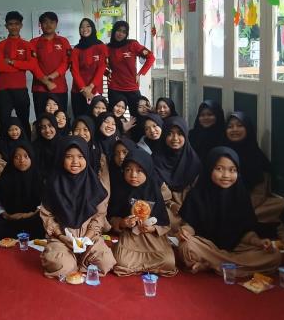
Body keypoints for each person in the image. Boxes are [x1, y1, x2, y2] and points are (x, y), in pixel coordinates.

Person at [177, 147, 281, 277]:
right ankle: (230, 266)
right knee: (187, 246)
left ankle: (212, 265)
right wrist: (185, 232)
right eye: (219, 169)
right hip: (207, 246)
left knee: (275, 255)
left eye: (232, 170)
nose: (226, 175)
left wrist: (257, 242)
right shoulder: (197, 195)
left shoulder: (240, 195)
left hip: (236, 247)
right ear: (209, 169)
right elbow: (190, 225)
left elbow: (244, 231)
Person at [39, 136, 116, 279]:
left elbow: (99, 216)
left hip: (89, 238)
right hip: (62, 239)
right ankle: (71, 261)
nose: (75, 161)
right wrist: (62, 237)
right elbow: (47, 216)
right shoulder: (53, 184)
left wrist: (87, 238)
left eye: (80, 156)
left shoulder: (94, 184)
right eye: (69, 157)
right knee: (63, 267)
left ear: (87, 157)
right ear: (61, 158)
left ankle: (79, 261)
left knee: (106, 262)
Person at [109, 149, 177, 277]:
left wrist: (152, 228)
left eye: (139, 170)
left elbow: (164, 222)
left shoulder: (154, 190)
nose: (133, 175)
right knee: (121, 261)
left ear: (148, 171)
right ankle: (149, 267)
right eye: (128, 170)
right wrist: (123, 223)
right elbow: (111, 217)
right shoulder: (121, 189)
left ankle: (139, 267)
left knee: (168, 262)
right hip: (130, 235)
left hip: (152, 237)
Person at [224, 111, 284, 223]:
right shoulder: (221, 153)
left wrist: (243, 209)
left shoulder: (256, 156)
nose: (234, 129)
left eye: (240, 125)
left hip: (250, 204)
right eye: (230, 127)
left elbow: (259, 193)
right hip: (222, 201)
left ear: (248, 129)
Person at [0, 142, 45, 242]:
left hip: (33, 217)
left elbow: (45, 203)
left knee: (45, 227)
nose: (22, 160)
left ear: (31, 158)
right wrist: (6, 215)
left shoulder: (38, 177)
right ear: (12, 159)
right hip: (10, 219)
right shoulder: (6, 177)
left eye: (26, 156)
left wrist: (29, 215)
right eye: (17, 157)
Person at [153, 116, 202, 231]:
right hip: (163, 206)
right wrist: (170, 204)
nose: (175, 138)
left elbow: (198, 194)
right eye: (170, 133)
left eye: (180, 134)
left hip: (189, 208)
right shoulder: (155, 160)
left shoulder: (194, 162)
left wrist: (185, 208)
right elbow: (153, 190)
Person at [0, 11, 35, 135]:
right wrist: (21, 66)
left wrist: (12, 62)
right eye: (10, 24)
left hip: (20, 89)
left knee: (24, 122)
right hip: (3, 90)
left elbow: (31, 65)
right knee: (4, 123)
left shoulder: (27, 45)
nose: (14, 27)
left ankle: (26, 145)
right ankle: (4, 147)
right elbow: (0, 67)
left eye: (16, 24)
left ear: (21, 25)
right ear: (6, 26)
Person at [106, 20, 154, 123]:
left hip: (132, 87)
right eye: (118, 30)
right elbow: (99, 64)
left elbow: (151, 57)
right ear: (114, 31)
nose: (120, 34)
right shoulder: (108, 48)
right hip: (115, 88)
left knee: (137, 118)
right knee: (115, 118)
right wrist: (106, 73)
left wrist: (140, 73)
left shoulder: (132, 44)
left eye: (124, 32)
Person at [29, 12, 71, 118]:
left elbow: (66, 62)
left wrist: (53, 75)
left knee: (60, 119)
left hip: (59, 87)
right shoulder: (33, 42)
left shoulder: (64, 41)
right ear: (40, 25)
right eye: (45, 22)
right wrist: (46, 81)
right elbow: (32, 65)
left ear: (56, 24)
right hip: (40, 88)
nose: (48, 25)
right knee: (42, 119)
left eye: (51, 22)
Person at [70, 18, 108, 118]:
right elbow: (74, 70)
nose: (84, 29)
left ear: (93, 28)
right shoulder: (76, 49)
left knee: (97, 119)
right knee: (80, 119)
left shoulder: (101, 46)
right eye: (82, 27)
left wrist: (90, 87)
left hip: (95, 90)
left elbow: (101, 68)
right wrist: (84, 89)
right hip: (78, 91)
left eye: (88, 26)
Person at [32, 113, 62, 183]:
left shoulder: (64, 144)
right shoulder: (34, 146)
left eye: (50, 126)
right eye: (43, 127)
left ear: (55, 125)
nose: (47, 130)